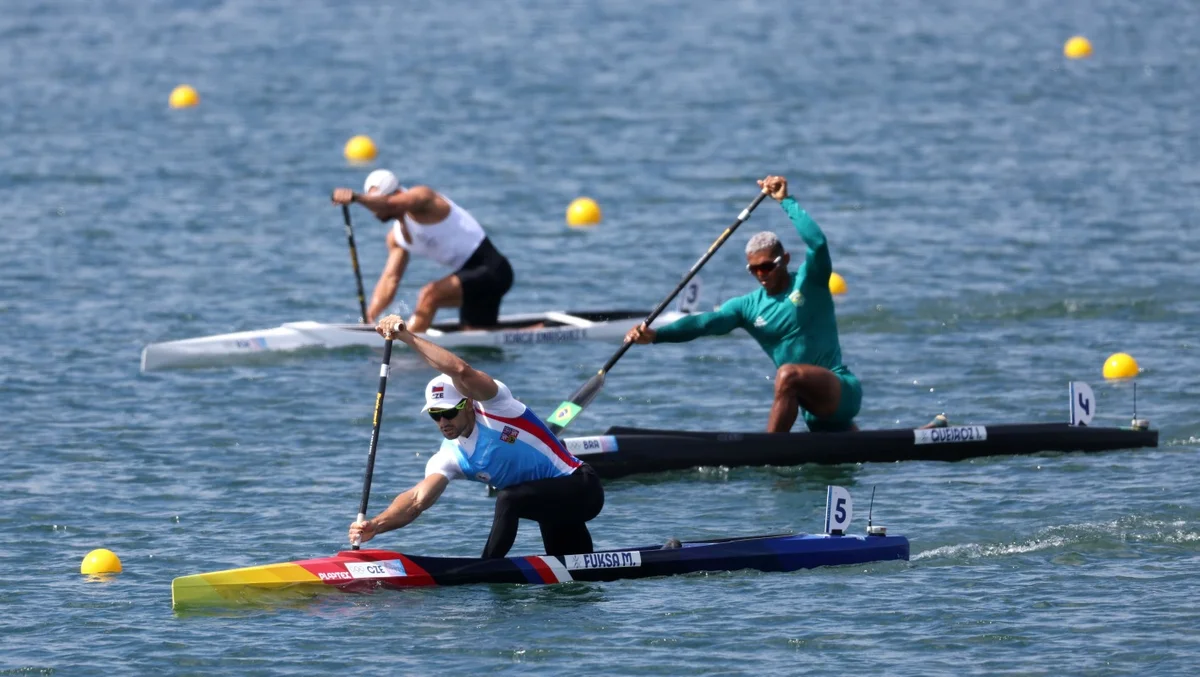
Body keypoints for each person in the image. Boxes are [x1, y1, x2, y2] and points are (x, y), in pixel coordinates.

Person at [348, 314, 605, 558]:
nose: (443, 422)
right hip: (550, 509)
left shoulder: (497, 405)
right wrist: (376, 525)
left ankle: (488, 568)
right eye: (435, 415)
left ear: (468, 404)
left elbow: (460, 370)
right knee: (573, 579)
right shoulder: (450, 456)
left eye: (449, 412)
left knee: (508, 498)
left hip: (582, 488)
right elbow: (416, 501)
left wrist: (406, 336)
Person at [625, 175, 864, 433]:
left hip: (841, 391)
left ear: (784, 259)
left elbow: (817, 243)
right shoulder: (748, 306)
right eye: (754, 269)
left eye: (767, 267)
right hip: (812, 412)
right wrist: (657, 335)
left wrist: (786, 201)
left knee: (787, 375)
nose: (761, 274)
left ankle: (769, 453)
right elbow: (705, 323)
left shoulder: (811, 282)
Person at [331, 170, 514, 331]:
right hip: (473, 279)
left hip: (494, 271)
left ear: (396, 193)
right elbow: (390, 279)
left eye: (376, 202)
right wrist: (369, 319)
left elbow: (390, 205)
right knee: (475, 334)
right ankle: (535, 331)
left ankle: (407, 346)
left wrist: (355, 198)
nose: (373, 210)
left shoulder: (423, 198)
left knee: (430, 294)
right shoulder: (396, 237)